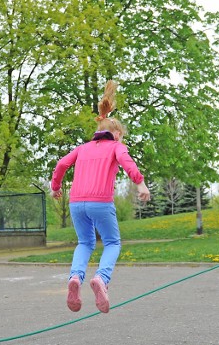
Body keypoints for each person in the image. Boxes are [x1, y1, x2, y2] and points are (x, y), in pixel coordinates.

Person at [50, 80, 151, 313]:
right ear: (115, 134)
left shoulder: (82, 148)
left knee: (85, 243)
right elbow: (128, 163)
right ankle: (101, 279)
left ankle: (75, 277)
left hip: (76, 203)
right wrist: (141, 184)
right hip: (100, 203)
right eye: (121, 136)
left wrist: (56, 187)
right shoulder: (116, 147)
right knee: (112, 243)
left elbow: (61, 164)